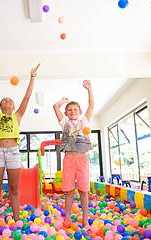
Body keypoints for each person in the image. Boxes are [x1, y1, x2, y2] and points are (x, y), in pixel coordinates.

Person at [0, 60, 40, 222]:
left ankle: (17, 220)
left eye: (10, 100)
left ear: (14, 106)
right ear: (0, 105)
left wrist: (32, 77)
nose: (8, 101)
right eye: (5, 100)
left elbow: (27, 96)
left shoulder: (17, 116)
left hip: (13, 153)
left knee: (14, 189)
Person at [53, 80, 94, 226]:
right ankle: (68, 217)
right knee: (69, 191)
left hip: (82, 160)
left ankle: (85, 218)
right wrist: (63, 101)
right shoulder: (64, 123)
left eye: (75, 109)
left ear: (80, 112)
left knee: (84, 191)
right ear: (66, 113)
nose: (72, 111)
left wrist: (89, 89)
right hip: (69, 160)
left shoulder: (84, 122)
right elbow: (55, 107)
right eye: (69, 110)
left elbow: (92, 105)